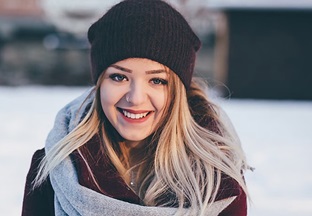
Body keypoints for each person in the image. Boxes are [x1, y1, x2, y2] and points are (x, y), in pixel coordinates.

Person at [22, 0, 250, 215]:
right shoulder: (54, 169)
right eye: (119, 77)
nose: (136, 98)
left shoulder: (218, 180)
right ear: (99, 83)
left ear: (178, 91)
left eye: (157, 80)